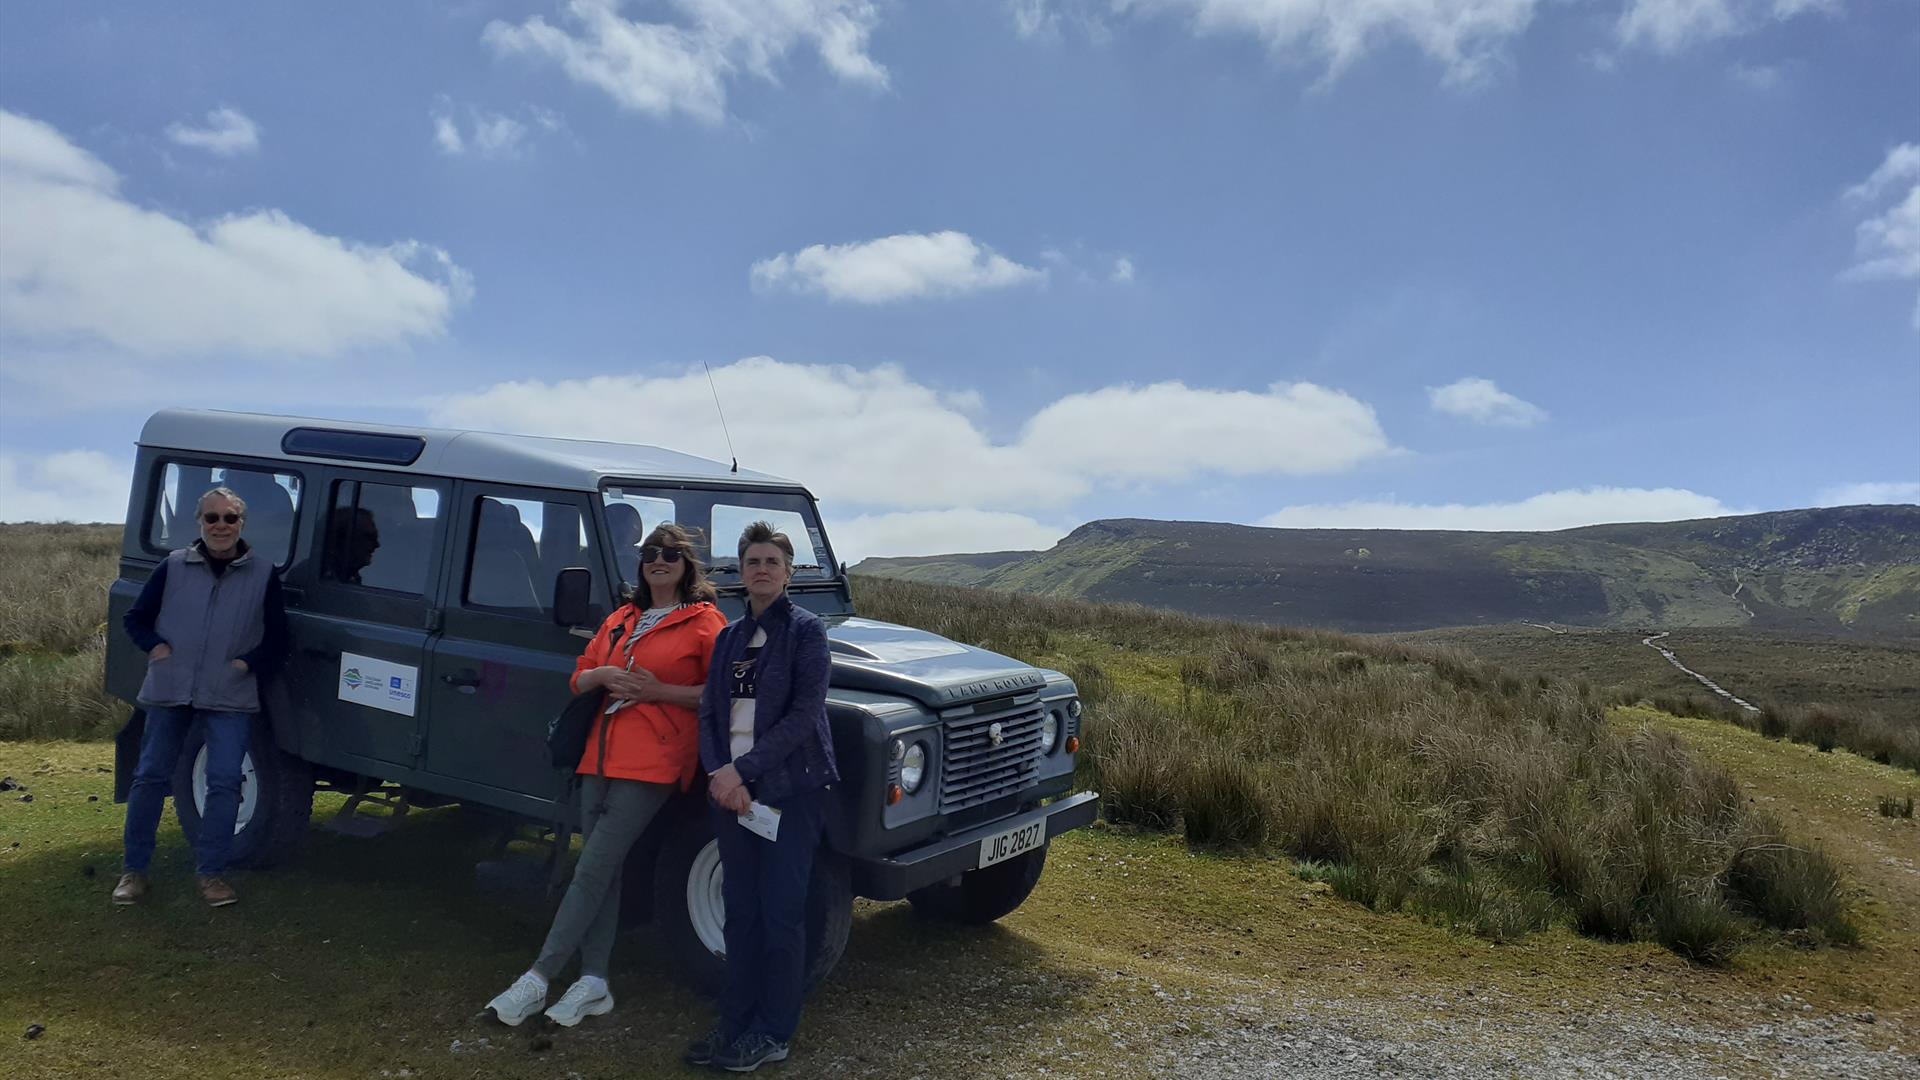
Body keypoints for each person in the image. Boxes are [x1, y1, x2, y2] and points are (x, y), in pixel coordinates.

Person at [484, 523, 727, 1028]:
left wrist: (660, 691)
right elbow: (579, 676)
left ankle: (538, 976)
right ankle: (594, 980)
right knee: (606, 869)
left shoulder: (706, 623)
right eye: (650, 554)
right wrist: (600, 676)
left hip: (654, 761)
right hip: (598, 755)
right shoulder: (621, 617)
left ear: (687, 565)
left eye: (670, 554)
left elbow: (719, 695)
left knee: (592, 866)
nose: (658, 561)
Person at [685, 522, 839, 1073]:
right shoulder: (728, 638)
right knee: (741, 912)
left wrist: (741, 771)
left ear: (788, 572)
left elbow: (804, 716)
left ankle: (772, 1032)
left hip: (789, 793)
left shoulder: (806, 632)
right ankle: (734, 1022)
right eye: (753, 561)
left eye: (773, 561)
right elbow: (709, 712)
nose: (762, 570)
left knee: (781, 913)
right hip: (733, 794)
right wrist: (719, 773)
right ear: (741, 571)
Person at [114, 486, 289, 908]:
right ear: (200, 523)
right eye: (212, 518)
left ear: (241, 524)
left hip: (229, 694)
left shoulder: (263, 574)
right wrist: (157, 648)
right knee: (150, 777)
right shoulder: (173, 566)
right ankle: (134, 872)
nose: (221, 526)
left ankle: (211, 875)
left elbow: (278, 640)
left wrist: (245, 665)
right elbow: (135, 619)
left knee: (226, 782)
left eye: (230, 518)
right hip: (170, 690)